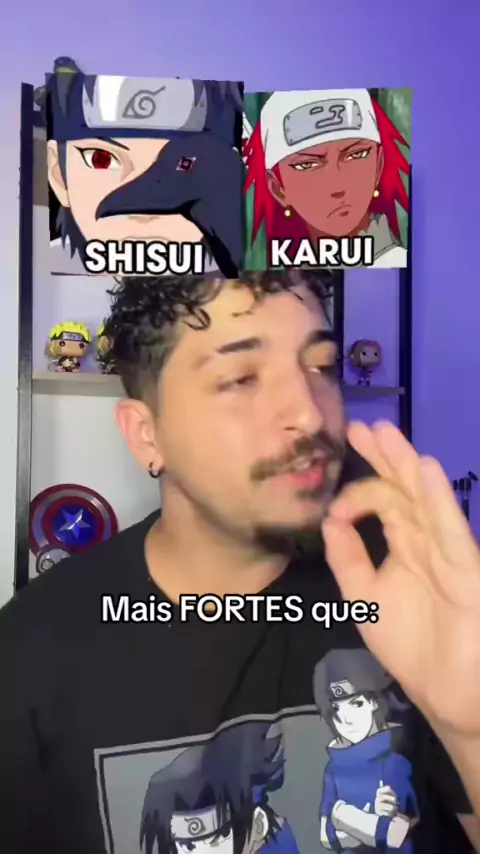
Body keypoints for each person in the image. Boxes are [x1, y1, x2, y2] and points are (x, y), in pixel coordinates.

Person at [0, 270, 479, 854]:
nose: (308, 414)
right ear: (146, 435)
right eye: (241, 378)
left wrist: (471, 727)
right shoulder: (31, 651)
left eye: (322, 367)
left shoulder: (412, 593)